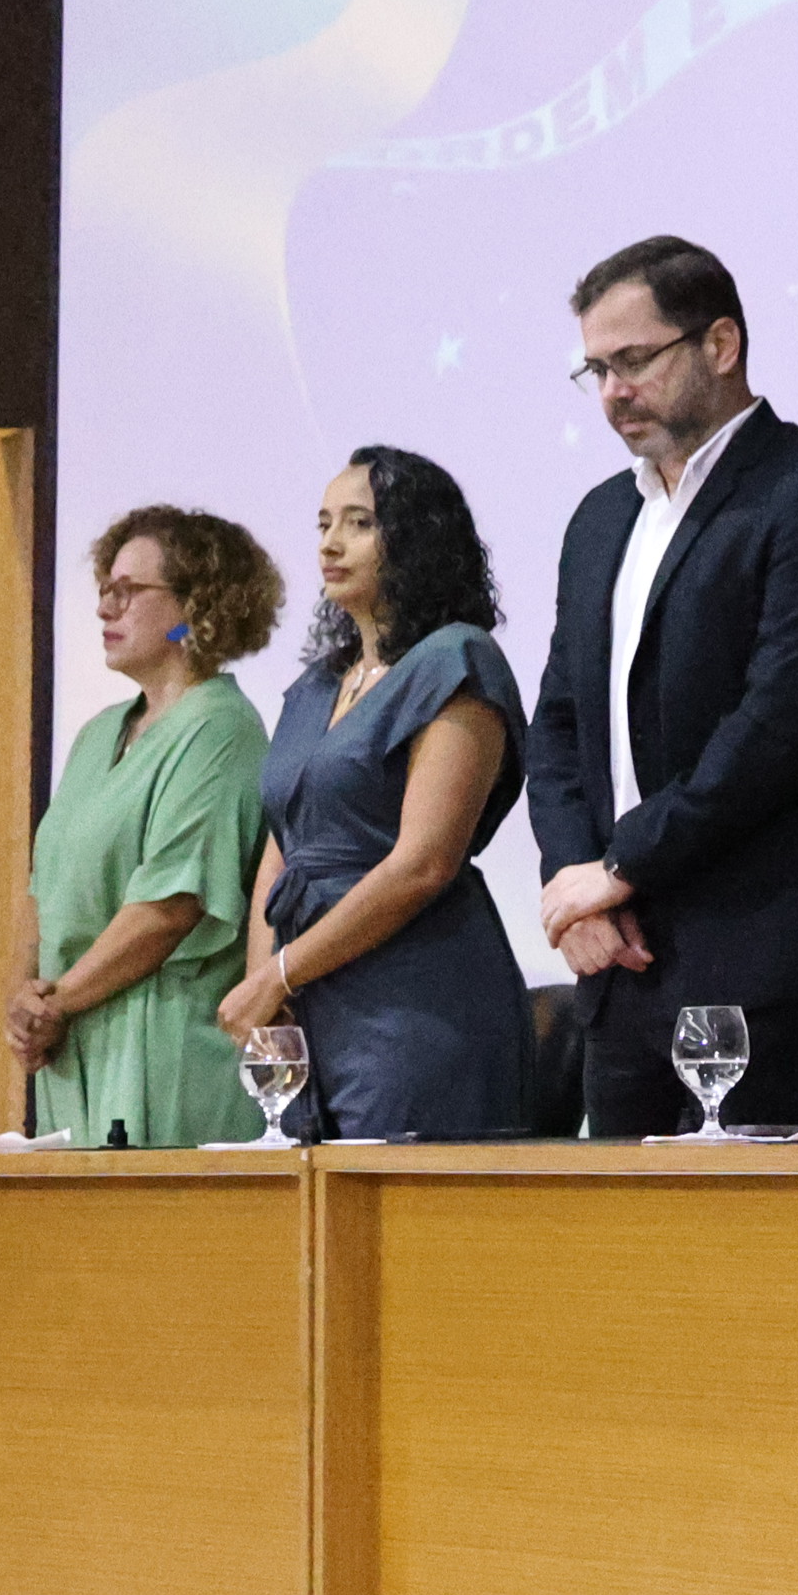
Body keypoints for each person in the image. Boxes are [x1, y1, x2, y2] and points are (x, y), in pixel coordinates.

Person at [525, 235, 798, 1135]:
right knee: (626, 1259)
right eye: (596, 370)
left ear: (720, 344)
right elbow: (559, 727)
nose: (615, 391)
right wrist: (572, 884)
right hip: (620, 962)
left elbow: (787, 726)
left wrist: (616, 868)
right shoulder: (600, 518)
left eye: (634, 360)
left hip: (766, 952)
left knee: (756, 1261)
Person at [226, 450, 536, 1141]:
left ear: (416, 538)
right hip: (306, 1005)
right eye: (324, 524)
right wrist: (263, 998)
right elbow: (281, 850)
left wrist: (280, 973)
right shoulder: (314, 686)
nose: (331, 544)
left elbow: (424, 863)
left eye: (359, 523)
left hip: (414, 1003)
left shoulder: (456, 660)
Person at [11, 505, 280, 1147]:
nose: (107, 608)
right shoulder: (97, 733)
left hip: (162, 1053)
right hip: (71, 1045)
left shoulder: (220, 728)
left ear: (199, 604)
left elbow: (171, 904)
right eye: (105, 588)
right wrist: (22, 1001)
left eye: (128, 591)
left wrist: (56, 1001)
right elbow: (41, 887)